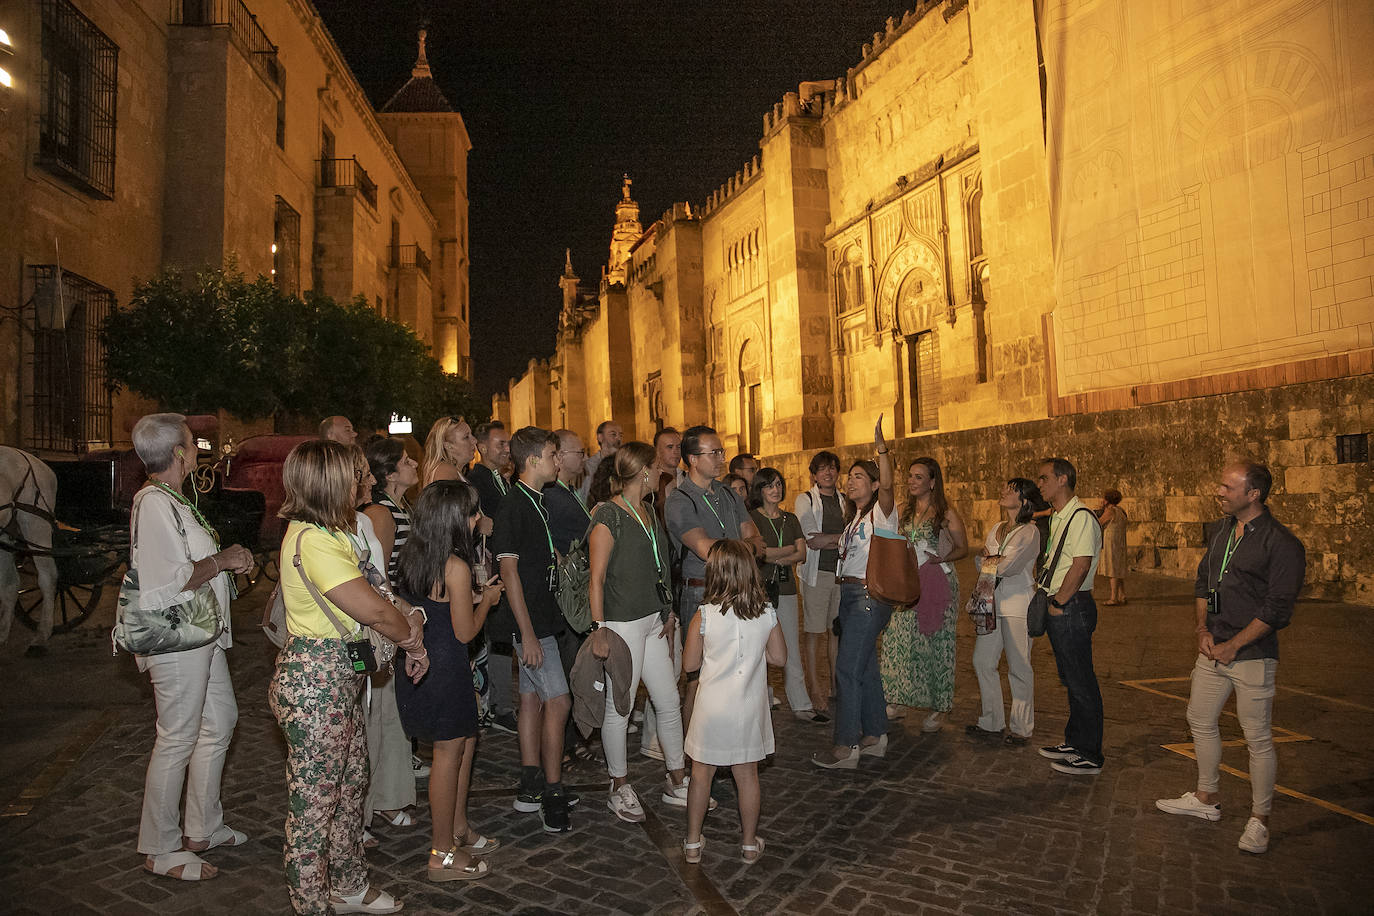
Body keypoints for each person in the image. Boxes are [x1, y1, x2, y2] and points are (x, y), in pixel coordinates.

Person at [268, 438, 427, 915]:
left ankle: (350, 885)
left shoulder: (336, 533)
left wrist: (411, 614)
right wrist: (412, 640)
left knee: (351, 783)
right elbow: (374, 611)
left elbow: (382, 593)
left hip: (342, 676)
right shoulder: (313, 539)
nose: (369, 480)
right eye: (358, 474)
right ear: (332, 483)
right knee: (314, 807)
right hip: (315, 683)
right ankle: (311, 904)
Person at [129, 413, 255, 882]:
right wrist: (221, 560)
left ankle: (202, 827)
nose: (199, 450)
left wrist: (223, 563)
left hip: (202, 637)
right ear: (179, 453)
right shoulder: (154, 503)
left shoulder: (171, 499)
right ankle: (160, 846)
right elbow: (168, 581)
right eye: (193, 443)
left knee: (220, 720)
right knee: (177, 736)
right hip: (177, 641)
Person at [1155, 463, 1305, 855]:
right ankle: (1206, 799)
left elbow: (1277, 610)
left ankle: (1260, 820)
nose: (1218, 491)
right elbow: (1205, 583)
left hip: (1252, 654)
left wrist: (1234, 645)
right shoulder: (1222, 530)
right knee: (1199, 719)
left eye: (1227, 486)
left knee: (1256, 737)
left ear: (1253, 494)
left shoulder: (1281, 543)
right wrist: (1203, 630)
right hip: (1212, 648)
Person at [394, 480, 506, 881]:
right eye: (473, 512)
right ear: (456, 520)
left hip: (420, 662)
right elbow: (464, 632)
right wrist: (487, 602)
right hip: (445, 666)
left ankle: (457, 828)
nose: (478, 518)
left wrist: (472, 597)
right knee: (447, 755)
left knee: (462, 744)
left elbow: (431, 607)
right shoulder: (455, 566)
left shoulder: (413, 555)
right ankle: (441, 853)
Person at [588, 442, 699, 822]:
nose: (661, 473)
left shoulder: (649, 510)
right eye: (656, 467)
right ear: (644, 471)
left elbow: (660, 566)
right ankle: (618, 785)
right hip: (620, 625)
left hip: (653, 621)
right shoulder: (607, 515)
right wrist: (599, 628)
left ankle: (676, 777)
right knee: (619, 708)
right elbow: (597, 579)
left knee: (667, 700)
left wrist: (666, 611)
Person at [654, 425, 762, 752]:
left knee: (734, 677)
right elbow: (704, 548)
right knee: (699, 679)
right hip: (701, 593)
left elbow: (757, 539)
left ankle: (726, 747)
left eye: (721, 451)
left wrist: (743, 546)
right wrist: (744, 547)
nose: (721, 458)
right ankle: (695, 752)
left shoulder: (729, 494)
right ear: (691, 459)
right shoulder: (680, 500)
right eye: (713, 453)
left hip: (738, 591)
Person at [489, 426, 575, 832]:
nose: (559, 461)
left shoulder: (535, 502)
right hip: (532, 622)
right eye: (553, 454)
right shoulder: (515, 506)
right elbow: (508, 571)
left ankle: (530, 782)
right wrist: (525, 634)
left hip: (540, 616)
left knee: (530, 700)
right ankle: (553, 790)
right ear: (533, 460)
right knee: (558, 700)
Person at [682, 540, 786, 866]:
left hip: (712, 707)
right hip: (748, 706)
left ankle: (692, 843)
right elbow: (779, 658)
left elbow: (688, 665)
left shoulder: (704, 616)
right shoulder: (766, 614)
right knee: (747, 776)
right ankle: (749, 844)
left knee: (701, 775)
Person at [812, 418, 896, 769]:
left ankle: (846, 745)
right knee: (865, 669)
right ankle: (875, 734)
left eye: (859, 476)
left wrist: (881, 449)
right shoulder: (854, 519)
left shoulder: (882, 513)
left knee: (846, 669)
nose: (850, 480)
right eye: (850, 476)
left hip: (866, 598)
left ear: (875, 484)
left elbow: (891, 486)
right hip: (848, 597)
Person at [352, 444, 418, 840]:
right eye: (407, 462)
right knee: (371, 717)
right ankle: (361, 810)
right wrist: (401, 618)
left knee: (390, 715)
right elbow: (378, 578)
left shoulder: (397, 507)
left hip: (392, 616)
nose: (414, 465)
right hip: (378, 624)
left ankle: (387, 798)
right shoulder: (379, 514)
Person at [882, 457, 968, 732]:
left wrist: (938, 558)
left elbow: (962, 548)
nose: (912, 481)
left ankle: (939, 706)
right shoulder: (903, 512)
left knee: (936, 645)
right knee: (900, 639)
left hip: (936, 583)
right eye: (910, 476)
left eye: (918, 477)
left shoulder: (946, 513)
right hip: (908, 583)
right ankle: (899, 698)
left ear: (932, 482)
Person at [1035, 457, 1106, 776]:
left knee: (1081, 680)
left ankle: (1090, 753)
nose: (1040, 484)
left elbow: (1081, 564)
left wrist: (1060, 601)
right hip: (1063, 604)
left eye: (1044, 478)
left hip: (1072, 605)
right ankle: (1075, 742)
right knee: (1071, 678)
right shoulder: (1059, 516)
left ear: (1063, 479)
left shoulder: (1080, 517)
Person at [968, 479, 1048, 745]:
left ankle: (1022, 727)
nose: (1003, 492)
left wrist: (988, 560)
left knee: (1018, 666)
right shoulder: (997, 528)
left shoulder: (1030, 532)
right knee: (982, 661)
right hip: (991, 602)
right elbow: (986, 561)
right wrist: (990, 561)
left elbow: (1007, 567)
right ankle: (991, 720)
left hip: (1017, 604)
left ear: (1024, 500)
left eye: (1012, 490)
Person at [543, 428, 596, 767]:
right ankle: (561, 745)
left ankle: (572, 739)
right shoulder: (553, 495)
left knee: (575, 665)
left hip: (576, 595)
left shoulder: (569, 492)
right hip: (565, 601)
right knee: (566, 668)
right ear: (560, 457)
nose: (583, 458)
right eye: (578, 451)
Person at [748, 468, 817, 721]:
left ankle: (800, 702)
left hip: (786, 589)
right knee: (757, 646)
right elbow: (758, 554)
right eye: (769, 485)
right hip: (758, 591)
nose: (775, 489)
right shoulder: (751, 519)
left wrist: (775, 555)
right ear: (760, 489)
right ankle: (758, 700)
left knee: (790, 646)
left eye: (778, 484)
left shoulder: (791, 519)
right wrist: (785, 551)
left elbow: (802, 554)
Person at [795, 450, 846, 714]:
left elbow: (857, 536)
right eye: (823, 469)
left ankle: (837, 685)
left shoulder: (845, 501)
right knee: (814, 633)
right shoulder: (805, 500)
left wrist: (832, 538)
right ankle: (814, 686)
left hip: (841, 574)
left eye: (833, 468)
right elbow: (812, 537)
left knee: (836, 633)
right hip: (817, 574)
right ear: (814, 474)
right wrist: (842, 537)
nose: (828, 473)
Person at [468, 421, 512, 520]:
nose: (508, 449)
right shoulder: (475, 482)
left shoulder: (501, 477)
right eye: (501, 444)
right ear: (483, 448)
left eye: (508, 444)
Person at [422, 416, 478, 486]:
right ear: (448, 446)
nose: (475, 441)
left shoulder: (450, 470)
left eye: (471, 434)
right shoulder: (445, 471)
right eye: (466, 437)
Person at [1096, 488, 1129, 605]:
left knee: (1112, 569)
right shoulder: (1121, 511)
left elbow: (1098, 523)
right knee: (1118, 568)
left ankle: (1113, 597)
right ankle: (1122, 594)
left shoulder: (1110, 511)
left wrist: (1100, 510)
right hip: (1120, 542)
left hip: (1111, 542)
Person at [579, 420, 623, 502]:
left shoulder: (624, 463)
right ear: (600, 437)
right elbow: (584, 494)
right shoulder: (589, 466)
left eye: (620, 435)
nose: (618, 439)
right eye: (613, 434)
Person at [650, 427, 683, 523]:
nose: (675, 451)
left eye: (679, 447)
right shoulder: (650, 483)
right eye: (670, 447)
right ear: (657, 451)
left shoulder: (689, 478)